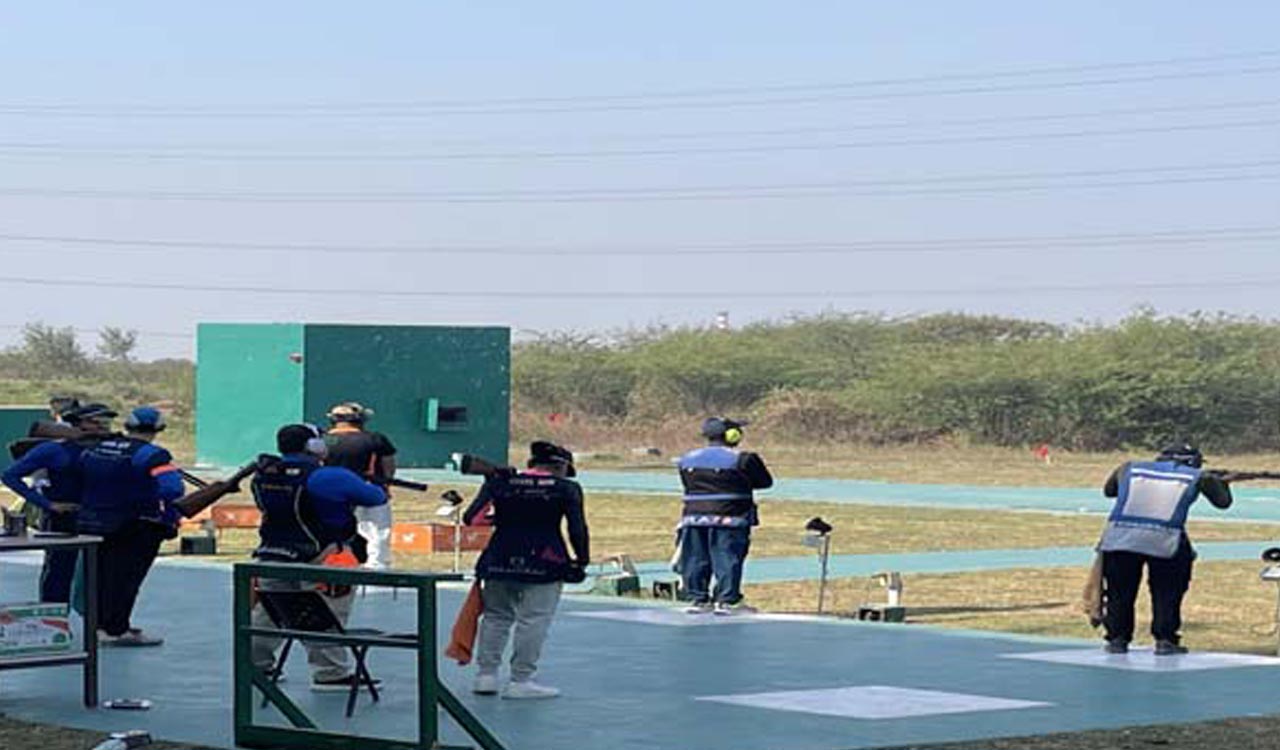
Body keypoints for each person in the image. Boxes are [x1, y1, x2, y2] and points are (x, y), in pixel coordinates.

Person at [249, 423, 390, 691]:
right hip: (322, 554)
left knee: (271, 611)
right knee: (326, 614)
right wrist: (360, 481)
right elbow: (376, 497)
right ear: (314, 446)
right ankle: (331, 673)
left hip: (272, 553)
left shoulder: (264, 475)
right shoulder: (329, 476)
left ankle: (256, 665)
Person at [462, 441, 589, 699]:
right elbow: (577, 528)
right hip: (546, 559)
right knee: (534, 619)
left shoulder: (500, 482)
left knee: (496, 617)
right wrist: (581, 560)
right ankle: (521, 680)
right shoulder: (567, 488)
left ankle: (486, 676)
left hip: (498, 557)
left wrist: (498, 501)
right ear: (561, 466)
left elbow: (472, 518)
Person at [1098, 442, 1232, 655]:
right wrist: (1223, 483)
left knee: (1119, 592)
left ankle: (1117, 639)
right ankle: (1165, 639)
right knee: (1167, 592)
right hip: (1165, 539)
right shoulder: (1200, 476)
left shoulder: (1128, 467)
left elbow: (1109, 491)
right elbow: (1223, 502)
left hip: (1119, 537)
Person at [76, 405, 185, 646]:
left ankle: (100, 626)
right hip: (136, 525)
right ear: (158, 428)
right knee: (126, 580)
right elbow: (172, 489)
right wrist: (168, 516)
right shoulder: (152, 455)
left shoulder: (96, 448)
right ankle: (117, 630)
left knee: (100, 577)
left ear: (128, 426)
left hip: (93, 522)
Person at [1, 403, 109, 602]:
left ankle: (98, 619)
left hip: (102, 516)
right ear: (77, 425)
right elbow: (10, 476)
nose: (103, 425)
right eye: (95, 421)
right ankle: (53, 616)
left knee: (102, 574)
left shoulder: (109, 447)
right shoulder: (54, 449)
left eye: (105, 421)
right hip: (65, 517)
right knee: (59, 573)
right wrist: (47, 504)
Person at [676, 417, 773, 615]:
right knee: (727, 557)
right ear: (732, 436)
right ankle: (728, 601)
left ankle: (698, 599)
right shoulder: (743, 458)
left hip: (693, 517)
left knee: (695, 558)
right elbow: (765, 482)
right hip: (731, 517)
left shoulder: (686, 459)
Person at [322, 402, 397, 570]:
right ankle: (377, 565)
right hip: (368, 488)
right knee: (376, 530)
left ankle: (330, 562)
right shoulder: (375, 439)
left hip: (331, 491)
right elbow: (388, 465)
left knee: (332, 529)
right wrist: (385, 485)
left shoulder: (324, 440)